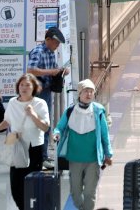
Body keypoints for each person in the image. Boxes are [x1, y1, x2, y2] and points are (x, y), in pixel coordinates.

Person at [52, 79, 113, 210]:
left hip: (93, 159)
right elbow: (60, 127)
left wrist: (108, 153)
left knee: (89, 193)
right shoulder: (70, 111)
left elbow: (104, 134)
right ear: (79, 93)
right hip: (74, 158)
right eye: (86, 91)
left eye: (91, 91)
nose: (89, 94)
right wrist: (56, 134)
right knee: (75, 192)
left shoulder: (99, 111)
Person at [0, 74, 50, 210]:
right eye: (21, 85)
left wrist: (33, 115)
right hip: (15, 145)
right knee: (16, 186)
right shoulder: (13, 103)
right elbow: (7, 121)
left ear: (34, 87)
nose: (24, 88)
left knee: (32, 185)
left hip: (33, 148)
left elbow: (45, 127)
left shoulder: (40, 103)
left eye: (28, 85)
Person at [26, 26, 69, 168]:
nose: (57, 46)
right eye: (55, 43)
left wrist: (61, 71)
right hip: (36, 92)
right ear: (48, 40)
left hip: (47, 91)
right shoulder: (38, 51)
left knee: (45, 123)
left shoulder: (51, 52)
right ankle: (37, 157)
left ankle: (43, 156)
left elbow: (53, 69)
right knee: (37, 123)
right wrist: (51, 72)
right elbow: (31, 70)